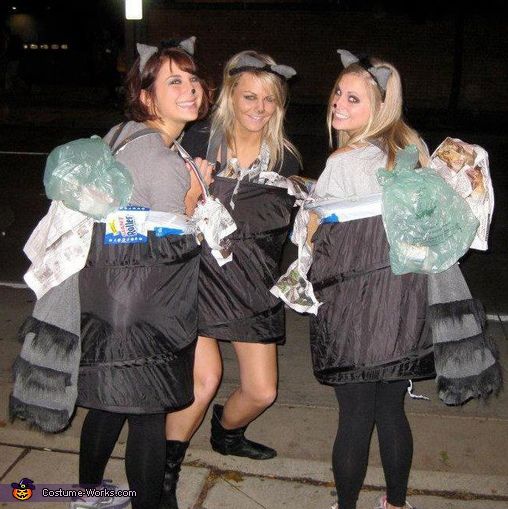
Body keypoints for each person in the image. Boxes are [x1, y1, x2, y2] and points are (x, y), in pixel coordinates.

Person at [307, 49, 499, 509]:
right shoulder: (412, 153)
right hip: (406, 307)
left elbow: (319, 238)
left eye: (353, 98)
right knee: (391, 410)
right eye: (338, 93)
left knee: (354, 418)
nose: (338, 104)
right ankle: (396, 503)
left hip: (355, 308)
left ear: (378, 108)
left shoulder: (343, 160)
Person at [159, 50, 301, 509]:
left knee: (262, 391)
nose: (259, 108)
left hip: (253, 283)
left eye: (269, 100)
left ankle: (227, 432)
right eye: (249, 97)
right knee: (204, 382)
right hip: (199, 278)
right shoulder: (198, 140)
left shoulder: (285, 156)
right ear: (230, 98)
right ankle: (164, 472)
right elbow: (167, 213)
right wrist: (193, 191)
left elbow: (298, 220)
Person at [74, 39, 212, 509]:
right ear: (148, 96)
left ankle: (87, 496)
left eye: (193, 79)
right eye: (175, 81)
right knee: (149, 414)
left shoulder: (121, 135)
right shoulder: (162, 159)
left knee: (110, 402)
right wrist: (196, 195)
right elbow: (176, 243)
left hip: (107, 293)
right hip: (145, 303)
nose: (191, 89)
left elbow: (120, 223)